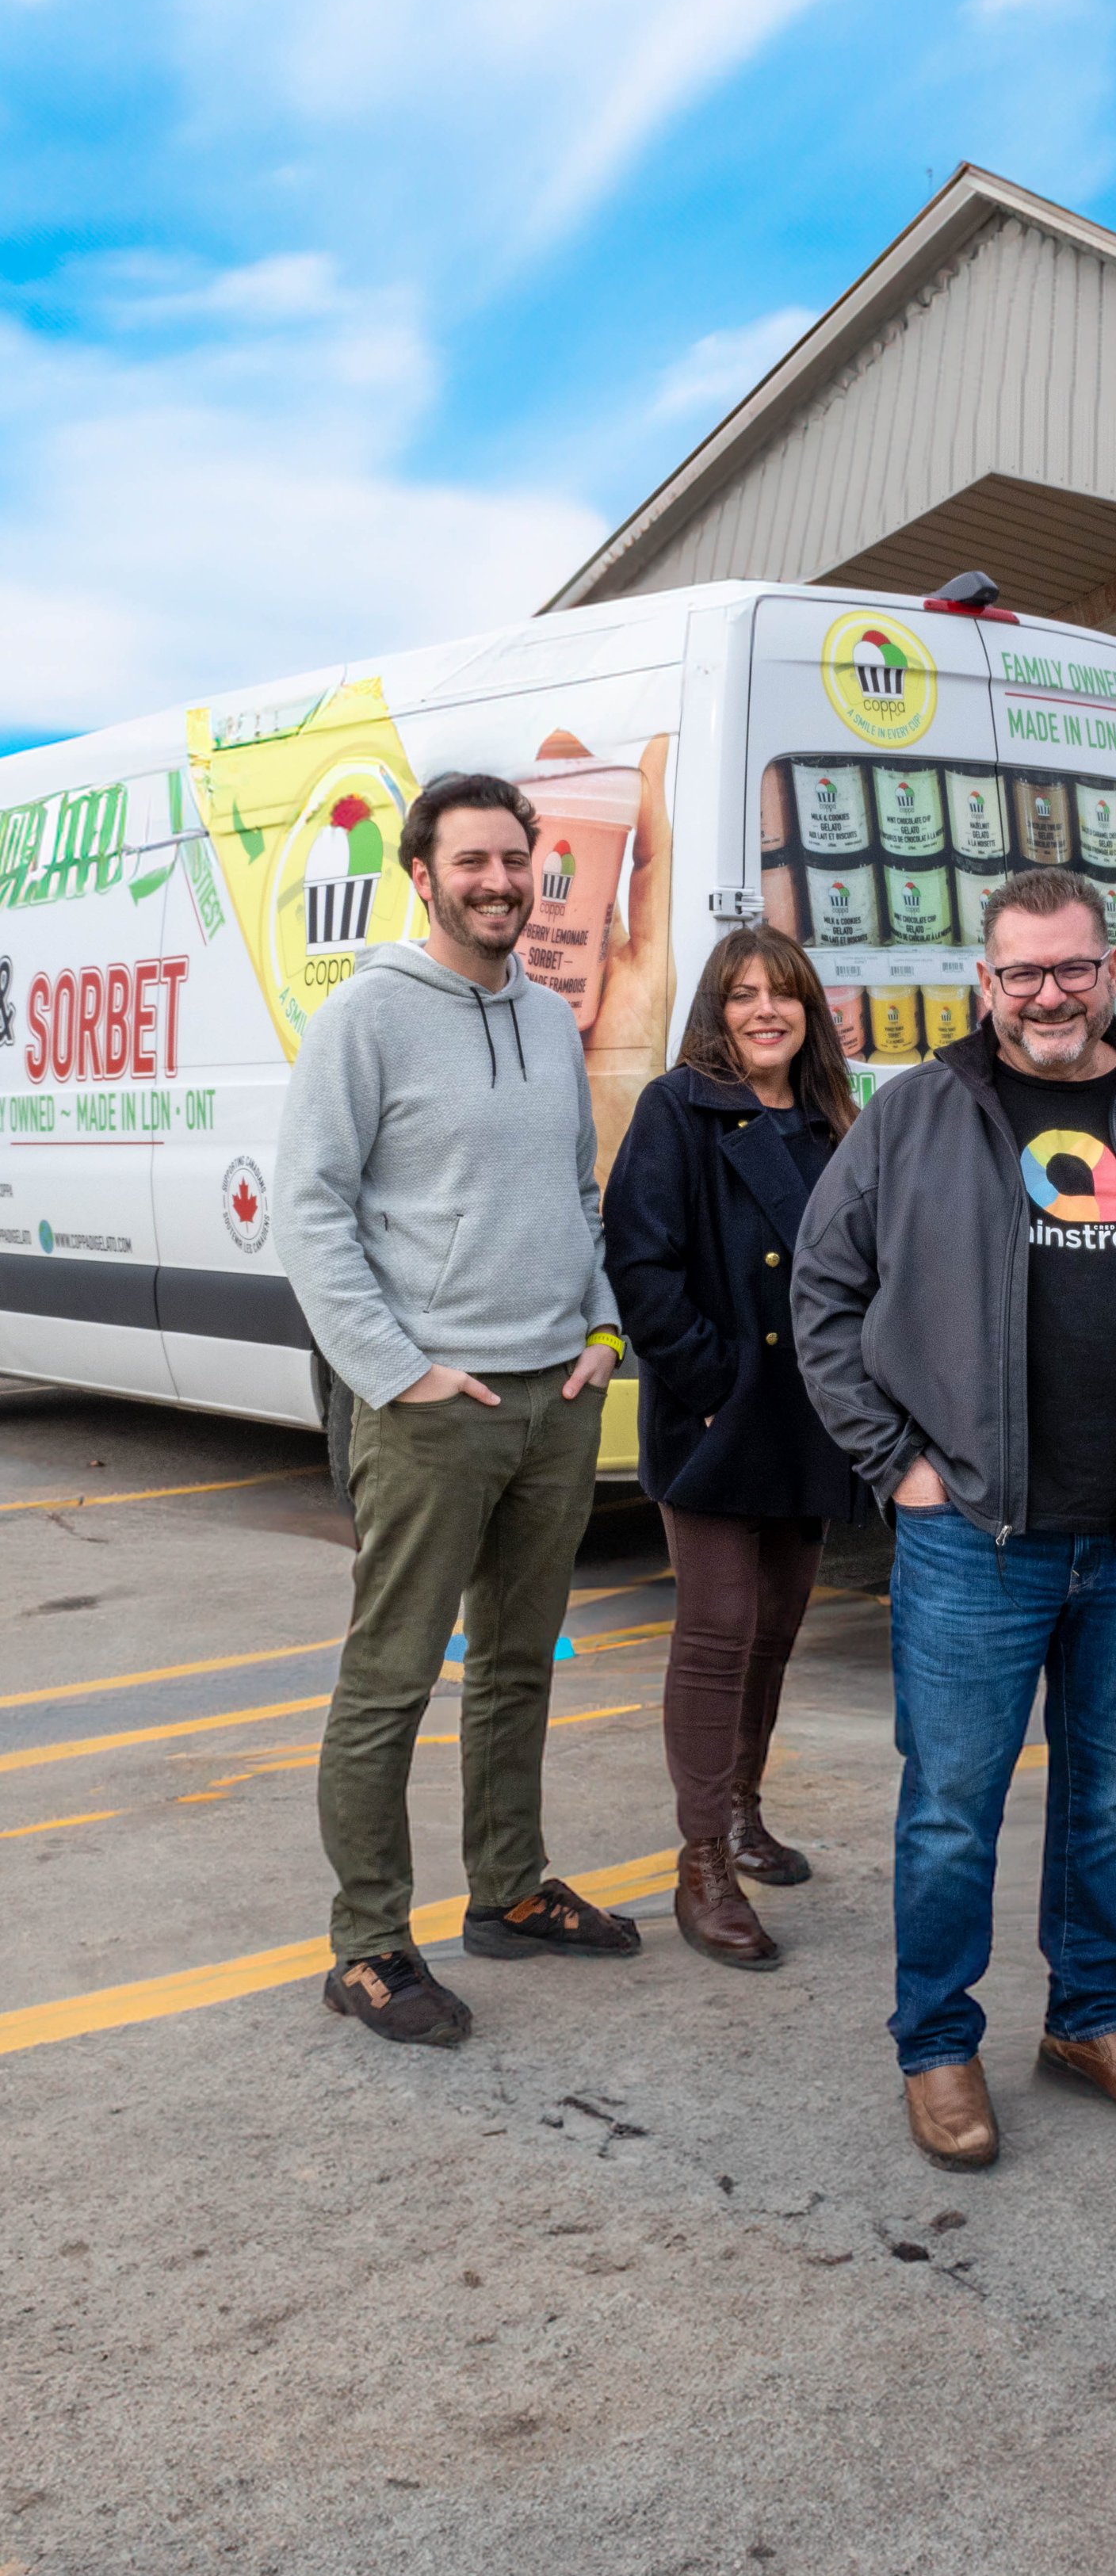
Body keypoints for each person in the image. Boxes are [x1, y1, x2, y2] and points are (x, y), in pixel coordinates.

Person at [792, 868, 1116, 2173]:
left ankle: (1093, 2021)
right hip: (969, 1532)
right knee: (952, 1804)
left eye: (1074, 968)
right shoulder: (913, 1117)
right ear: (984, 981)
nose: (1049, 994)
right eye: (1022, 973)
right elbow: (826, 1298)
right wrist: (894, 1462)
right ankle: (937, 2046)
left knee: (1113, 1800)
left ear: (1112, 971)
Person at [276, 771, 638, 2051]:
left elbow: (577, 1191)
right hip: (434, 1408)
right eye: (470, 861)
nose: (497, 881)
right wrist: (399, 1368)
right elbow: (309, 1211)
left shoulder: (547, 1020)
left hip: (556, 1397)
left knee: (517, 1667)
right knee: (388, 1684)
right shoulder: (367, 1019)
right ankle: (368, 1945)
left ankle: (509, 1887)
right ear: (421, 875)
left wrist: (601, 1326)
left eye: (514, 860)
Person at [603, 927, 865, 1972]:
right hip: (720, 1416)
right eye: (743, 994)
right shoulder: (678, 1109)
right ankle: (702, 1857)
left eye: (785, 994)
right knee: (716, 1630)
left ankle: (746, 1812)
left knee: (775, 1630)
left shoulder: (832, 1122)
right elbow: (638, 1256)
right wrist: (713, 1381)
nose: (766, 1010)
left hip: (810, 1418)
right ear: (714, 1012)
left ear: (810, 1010)